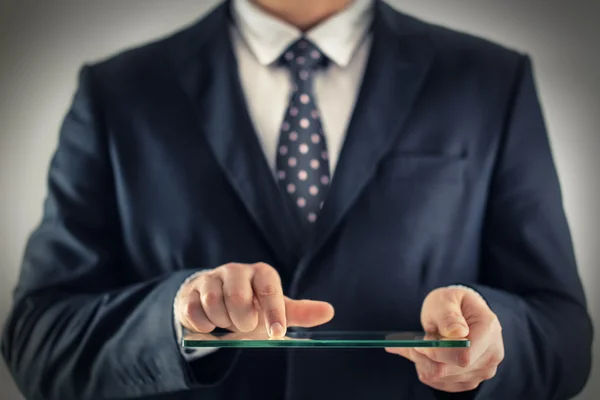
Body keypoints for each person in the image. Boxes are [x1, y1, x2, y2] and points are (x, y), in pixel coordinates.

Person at [1, 0, 593, 398]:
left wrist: (491, 341)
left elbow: (562, 328)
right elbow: (37, 336)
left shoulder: (489, 80)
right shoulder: (119, 92)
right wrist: (176, 322)